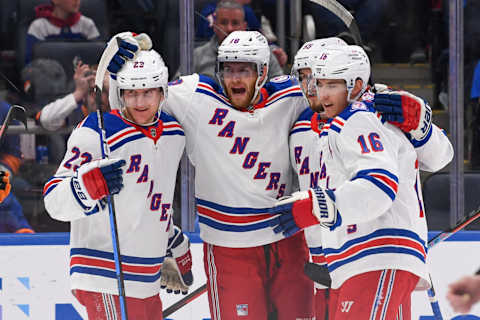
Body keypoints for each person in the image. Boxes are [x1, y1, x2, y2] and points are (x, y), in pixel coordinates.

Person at [109, 30, 315, 319]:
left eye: (244, 70)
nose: (234, 79)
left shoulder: (290, 97)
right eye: (227, 70)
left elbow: (345, 95)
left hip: (288, 241)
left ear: (264, 71)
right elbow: (132, 107)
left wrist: (385, 102)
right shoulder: (195, 98)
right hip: (230, 249)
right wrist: (117, 70)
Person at [269, 44, 453, 319]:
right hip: (338, 258)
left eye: (319, 78)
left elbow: (438, 159)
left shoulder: (374, 108)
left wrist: (420, 124)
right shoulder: (302, 126)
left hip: (376, 248)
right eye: (307, 78)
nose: (311, 87)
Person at [43, 47, 192, 319]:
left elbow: (151, 201)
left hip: (145, 281)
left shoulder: (174, 133)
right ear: (120, 94)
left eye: (148, 92)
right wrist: (86, 186)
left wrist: (170, 243)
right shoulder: (97, 131)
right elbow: (53, 200)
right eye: (131, 93)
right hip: (104, 274)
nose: (139, 101)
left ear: (162, 92)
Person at [175, 0, 285, 80]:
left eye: (235, 23)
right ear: (214, 25)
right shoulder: (196, 56)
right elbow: (176, 91)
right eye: (223, 22)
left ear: (244, 26)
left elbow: (280, 89)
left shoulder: (266, 55)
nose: (229, 28)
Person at [36, 60, 109, 131]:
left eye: (103, 91)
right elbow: (45, 119)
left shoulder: (116, 110)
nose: (97, 97)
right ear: (84, 96)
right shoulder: (73, 113)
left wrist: (112, 87)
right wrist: (78, 93)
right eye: (92, 91)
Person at [25, 0, 100, 64]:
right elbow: (31, 63)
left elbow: (99, 59)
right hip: (49, 77)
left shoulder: (87, 24)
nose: (77, 0)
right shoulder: (39, 26)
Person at [0, 101, 35, 234]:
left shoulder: (4, 110)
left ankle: (22, 231)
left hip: (1, 163)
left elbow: (13, 154)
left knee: (1, 190)